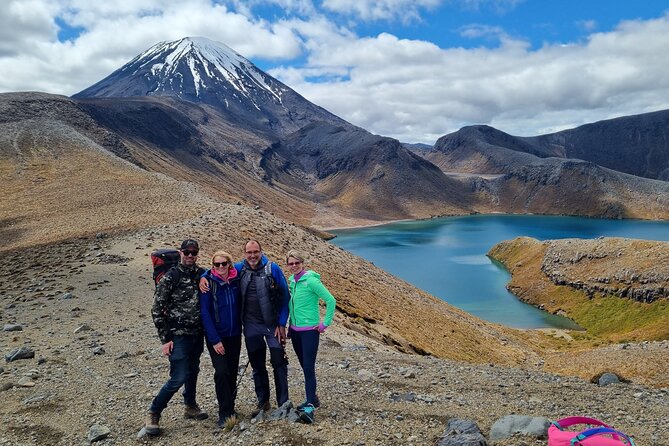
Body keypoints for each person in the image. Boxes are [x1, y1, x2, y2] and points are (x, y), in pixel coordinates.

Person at [200, 240, 290, 417]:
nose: (253, 255)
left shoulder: (273, 269)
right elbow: (218, 269)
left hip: (272, 326)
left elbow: (285, 297)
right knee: (257, 364)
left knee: (279, 362)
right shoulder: (241, 268)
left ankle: (283, 402)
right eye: (249, 252)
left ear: (261, 251)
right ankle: (263, 401)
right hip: (251, 325)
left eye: (256, 251)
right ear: (244, 253)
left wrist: (281, 323)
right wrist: (203, 276)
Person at [145, 239, 208, 436]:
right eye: (187, 252)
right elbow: (156, 308)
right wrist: (165, 340)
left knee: (193, 370)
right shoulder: (171, 277)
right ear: (180, 253)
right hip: (178, 335)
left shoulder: (201, 273)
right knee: (178, 376)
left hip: (197, 334)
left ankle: (190, 405)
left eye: (194, 252)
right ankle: (154, 411)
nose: (190, 256)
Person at [285, 249, 336, 424]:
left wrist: (324, 324)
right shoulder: (292, 281)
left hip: (309, 332)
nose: (294, 266)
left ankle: (309, 408)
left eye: (296, 263)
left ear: (302, 263)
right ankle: (312, 398)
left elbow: (331, 300)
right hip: (296, 331)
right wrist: (290, 326)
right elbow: (293, 305)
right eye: (290, 263)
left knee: (308, 367)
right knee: (303, 365)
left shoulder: (311, 281)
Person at [200, 250, 242, 427]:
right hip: (217, 337)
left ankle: (230, 405)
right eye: (217, 264)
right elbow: (205, 312)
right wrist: (214, 339)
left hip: (234, 334)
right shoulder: (208, 282)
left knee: (232, 371)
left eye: (224, 263)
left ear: (229, 264)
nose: (221, 267)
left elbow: (251, 261)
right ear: (213, 266)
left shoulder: (236, 279)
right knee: (222, 371)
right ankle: (224, 413)